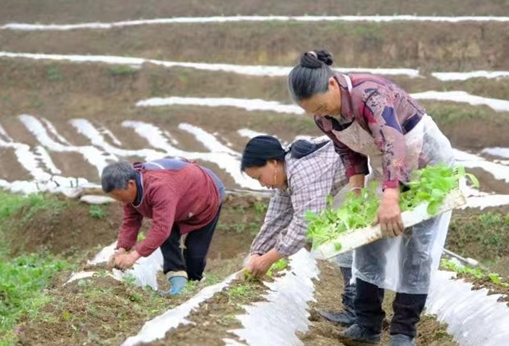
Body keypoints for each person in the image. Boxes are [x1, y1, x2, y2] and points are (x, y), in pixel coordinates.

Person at [287, 50, 455, 346]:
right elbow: (348, 151)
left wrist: (390, 196)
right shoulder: (323, 117)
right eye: (315, 111)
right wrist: (356, 192)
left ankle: (404, 332)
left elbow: (393, 141)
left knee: (418, 247)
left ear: (334, 86)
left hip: (427, 162)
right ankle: (367, 325)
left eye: (323, 105)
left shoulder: (370, 95)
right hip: (386, 167)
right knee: (367, 239)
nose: (322, 114)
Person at [241, 135, 357, 326]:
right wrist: (257, 252)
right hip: (345, 187)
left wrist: (268, 259)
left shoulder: (302, 172)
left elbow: (305, 223)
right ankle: (358, 311)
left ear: (272, 163)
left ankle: (359, 314)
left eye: (259, 177)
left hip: (361, 181)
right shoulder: (284, 175)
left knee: (352, 246)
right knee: (347, 247)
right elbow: (275, 218)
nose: (262, 184)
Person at [101, 158, 225, 295]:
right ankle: (178, 283)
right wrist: (121, 249)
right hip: (177, 200)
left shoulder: (160, 187)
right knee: (167, 239)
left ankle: (194, 284)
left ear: (131, 184)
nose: (119, 201)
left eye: (119, 196)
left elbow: (161, 228)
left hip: (205, 195)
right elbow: (131, 221)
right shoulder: (131, 192)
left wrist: (134, 256)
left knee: (195, 252)